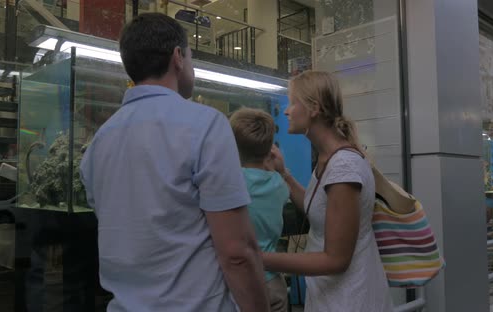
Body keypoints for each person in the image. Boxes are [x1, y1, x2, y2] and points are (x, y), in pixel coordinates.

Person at [79, 13, 269, 312]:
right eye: (191, 57)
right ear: (178, 57)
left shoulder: (99, 142)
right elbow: (237, 253)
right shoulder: (206, 125)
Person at [262, 71, 394, 312]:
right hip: (330, 297)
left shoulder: (344, 166)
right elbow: (319, 210)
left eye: (293, 103)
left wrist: (259, 259)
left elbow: (336, 259)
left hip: (351, 300)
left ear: (314, 108)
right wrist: (284, 174)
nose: (286, 111)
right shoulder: (329, 158)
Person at [229, 108, 290, 312]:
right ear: (270, 149)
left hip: (240, 282)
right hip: (273, 281)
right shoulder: (280, 185)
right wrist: (278, 168)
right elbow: (278, 181)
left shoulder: (231, 182)